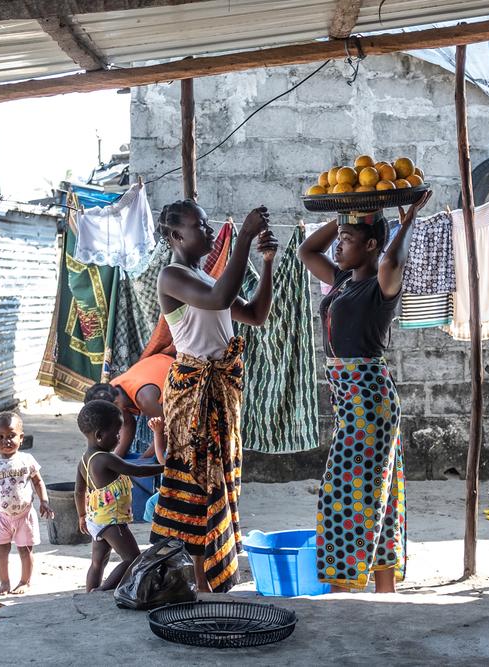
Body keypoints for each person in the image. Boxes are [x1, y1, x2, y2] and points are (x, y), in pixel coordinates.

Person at [298, 193, 431, 594]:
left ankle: (343, 589)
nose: (338, 245)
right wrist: (341, 217)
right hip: (349, 398)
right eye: (339, 238)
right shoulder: (341, 281)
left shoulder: (380, 287)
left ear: (371, 245)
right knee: (379, 492)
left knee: (341, 492)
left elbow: (392, 261)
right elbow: (307, 250)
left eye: (348, 239)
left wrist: (403, 224)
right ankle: (384, 587)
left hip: (368, 398)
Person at [149, 200, 278, 593]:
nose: (208, 231)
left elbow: (255, 315)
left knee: (219, 479)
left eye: (207, 225)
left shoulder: (205, 279)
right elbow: (222, 299)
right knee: (195, 482)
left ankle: (206, 580)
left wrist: (267, 262)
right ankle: (199, 580)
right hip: (193, 392)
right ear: (175, 236)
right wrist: (244, 238)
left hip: (218, 390)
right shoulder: (172, 277)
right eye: (199, 226)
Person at [74, 400, 166, 592]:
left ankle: (89, 592)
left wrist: (82, 515)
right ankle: (103, 590)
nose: (119, 438)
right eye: (117, 434)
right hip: (112, 521)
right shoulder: (106, 459)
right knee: (133, 558)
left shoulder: (84, 460)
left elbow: (79, 491)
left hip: (95, 519)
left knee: (98, 562)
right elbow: (136, 470)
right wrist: (166, 468)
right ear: (99, 436)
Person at [0, 411, 54, 595]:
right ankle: (4, 582)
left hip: (24, 515)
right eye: (0, 437)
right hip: (0, 517)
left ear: (21, 438)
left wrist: (44, 501)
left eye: (11, 436)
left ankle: (24, 581)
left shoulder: (27, 460)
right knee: (1, 550)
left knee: (25, 550)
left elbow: (38, 481)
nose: (6, 441)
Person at [84, 351, 173, 457]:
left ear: (116, 404)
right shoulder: (112, 390)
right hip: (156, 364)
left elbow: (166, 432)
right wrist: (116, 459)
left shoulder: (145, 400)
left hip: (176, 370)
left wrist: (142, 461)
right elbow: (127, 424)